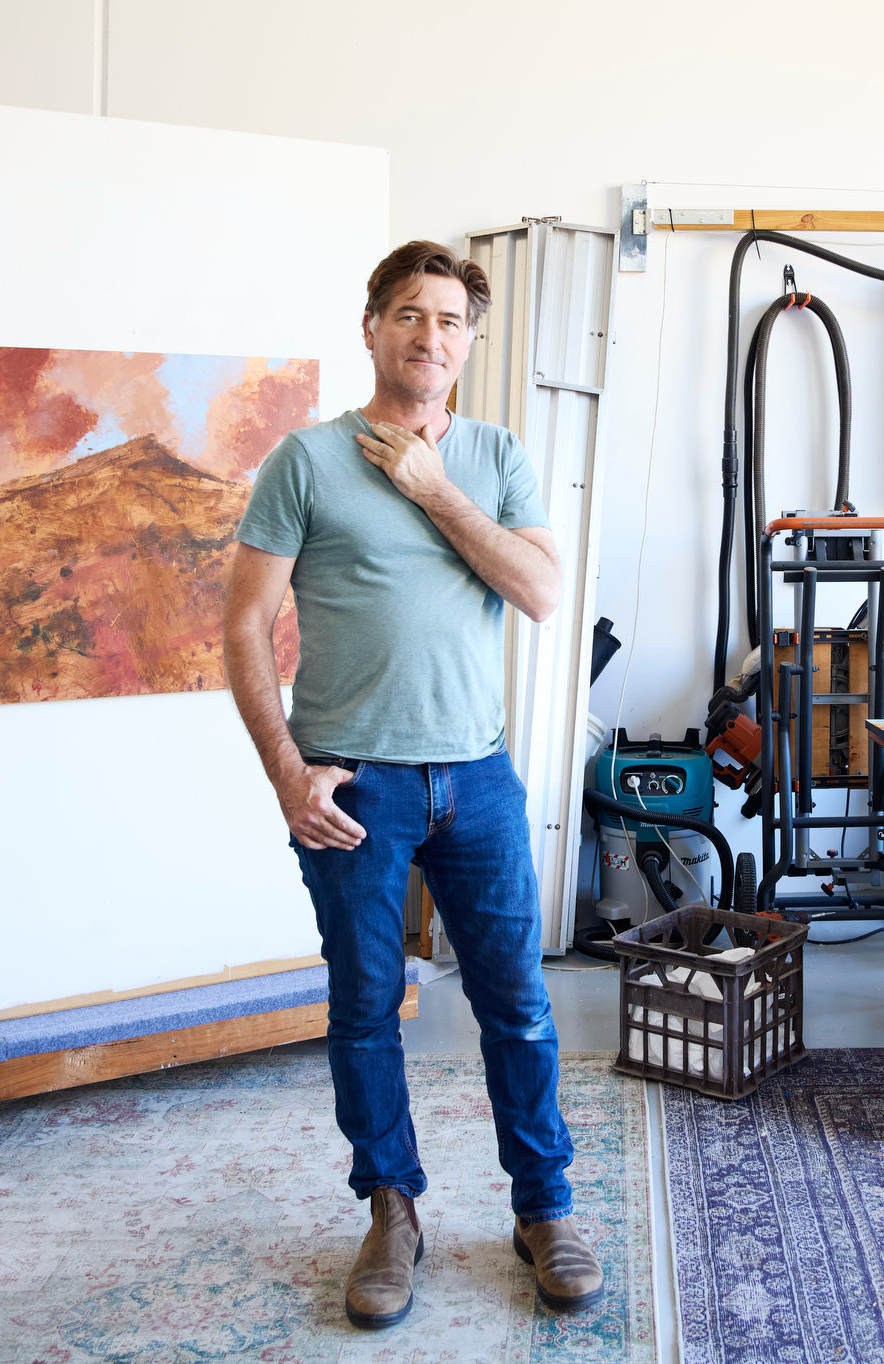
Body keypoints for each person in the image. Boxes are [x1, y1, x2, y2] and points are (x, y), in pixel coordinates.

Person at [222, 240, 601, 1329]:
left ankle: (544, 1207)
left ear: (467, 340)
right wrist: (286, 772)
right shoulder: (305, 459)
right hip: (356, 786)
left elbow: (536, 590)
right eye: (407, 314)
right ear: (372, 327)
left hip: (474, 778)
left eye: (447, 319)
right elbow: (243, 624)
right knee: (362, 1008)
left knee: (517, 1008)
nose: (427, 335)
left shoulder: (494, 455)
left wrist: (435, 491)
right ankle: (391, 1207)